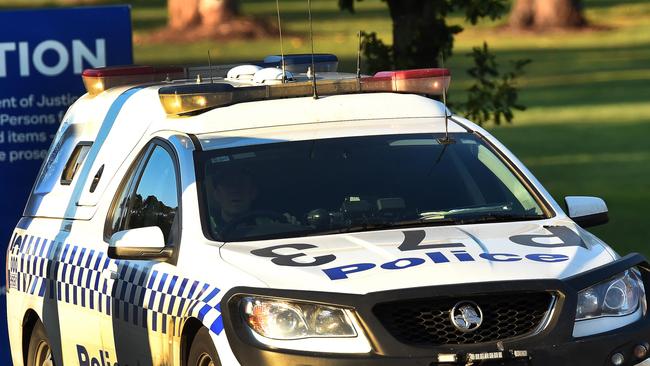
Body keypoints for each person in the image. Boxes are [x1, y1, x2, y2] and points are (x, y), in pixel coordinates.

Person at [208, 167, 298, 239]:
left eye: (241, 184)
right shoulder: (205, 229)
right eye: (228, 185)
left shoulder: (273, 224)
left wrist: (291, 227)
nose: (235, 190)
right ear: (217, 195)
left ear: (253, 192)